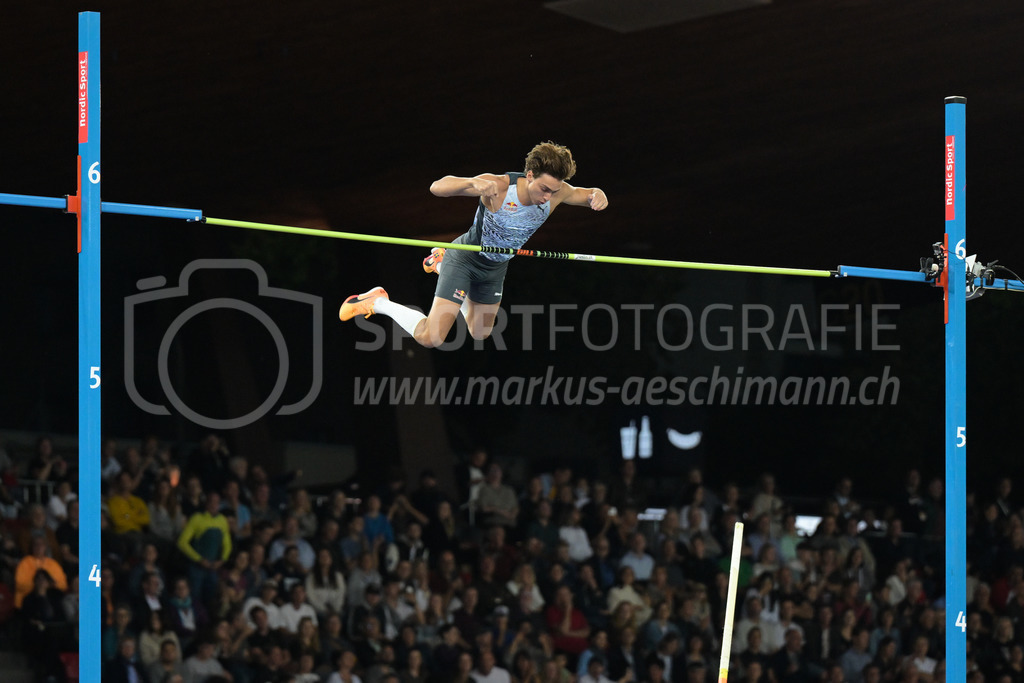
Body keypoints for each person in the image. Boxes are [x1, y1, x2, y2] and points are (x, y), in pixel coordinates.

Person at [338, 141, 608, 348]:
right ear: (529, 175)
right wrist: (472, 183)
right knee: (431, 337)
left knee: (480, 332)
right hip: (466, 259)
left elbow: (588, 194)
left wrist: (599, 195)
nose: (548, 197)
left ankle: (440, 265)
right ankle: (377, 302)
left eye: (554, 190)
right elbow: (437, 187)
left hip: (495, 268)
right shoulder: (500, 186)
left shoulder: (558, 192)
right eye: (544, 189)